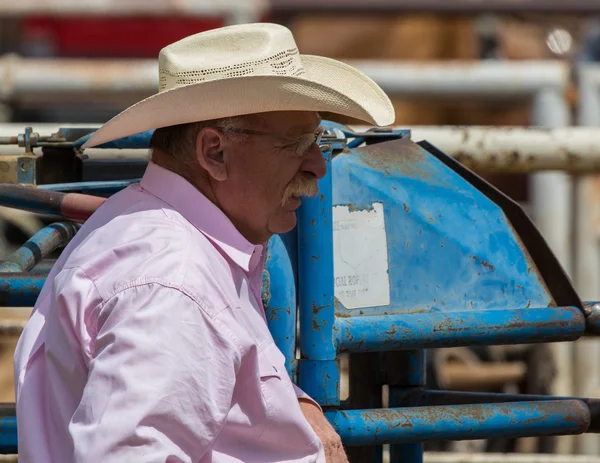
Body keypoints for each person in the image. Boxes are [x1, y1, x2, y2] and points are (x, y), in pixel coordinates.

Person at [13, 23, 394, 462]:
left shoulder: (159, 236)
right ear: (214, 152)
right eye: (297, 144)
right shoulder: (173, 282)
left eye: (318, 140)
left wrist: (294, 404)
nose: (317, 166)